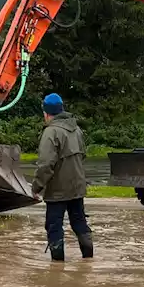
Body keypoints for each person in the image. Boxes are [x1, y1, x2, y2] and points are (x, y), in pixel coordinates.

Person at [31, 93, 92, 262]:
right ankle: (88, 259)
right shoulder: (77, 130)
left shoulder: (51, 132)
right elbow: (83, 155)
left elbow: (45, 164)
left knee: (54, 226)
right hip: (77, 188)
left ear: (46, 113)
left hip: (58, 191)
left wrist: (36, 187)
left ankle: (57, 267)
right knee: (79, 223)